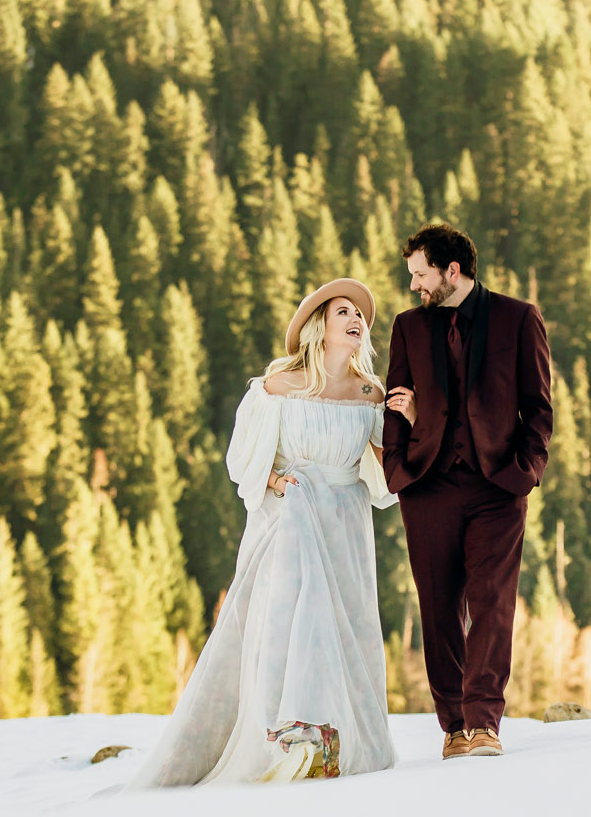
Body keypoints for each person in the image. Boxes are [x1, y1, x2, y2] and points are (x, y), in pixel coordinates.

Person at [126, 279, 398, 787]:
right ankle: (289, 728)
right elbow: (241, 461)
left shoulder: (370, 394)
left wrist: (410, 421)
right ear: (321, 324)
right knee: (291, 617)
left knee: (346, 628)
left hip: (346, 522)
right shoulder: (277, 387)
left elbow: (390, 473)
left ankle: (337, 738)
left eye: (361, 314)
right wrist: (277, 482)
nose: (357, 319)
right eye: (344, 311)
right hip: (290, 517)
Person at [383, 223, 554, 760]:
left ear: (451, 271)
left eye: (420, 274)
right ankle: (453, 726)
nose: (413, 286)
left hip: (498, 486)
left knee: (492, 602)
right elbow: (394, 401)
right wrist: (397, 470)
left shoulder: (517, 318)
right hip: (427, 485)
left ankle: (484, 723)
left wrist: (525, 470)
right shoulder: (408, 327)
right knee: (437, 608)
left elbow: (539, 408)